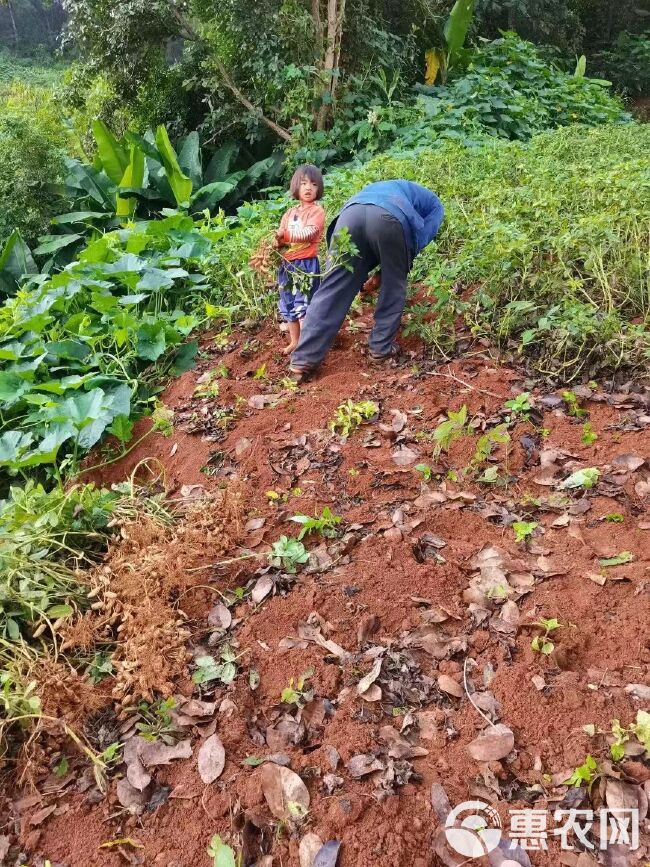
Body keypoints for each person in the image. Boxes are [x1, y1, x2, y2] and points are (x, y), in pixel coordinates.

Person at [289, 179, 444, 376]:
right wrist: (390, 270)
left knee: (333, 288)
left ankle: (302, 360)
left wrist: (369, 274)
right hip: (389, 218)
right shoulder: (435, 207)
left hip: (349, 216)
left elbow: (356, 255)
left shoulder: (392, 188)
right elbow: (416, 240)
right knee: (394, 284)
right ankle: (380, 348)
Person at [274, 164, 326, 355]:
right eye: (303, 183)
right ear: (296, 186)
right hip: (287, 264)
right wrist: (275, 242)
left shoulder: (317, 212)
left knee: (303, 305)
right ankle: (295, 341)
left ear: (318, 189)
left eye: (313, 184)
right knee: (287, 303)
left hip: (305, 264)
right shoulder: (289, 213)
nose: (308, 188)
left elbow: (309, 233)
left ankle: (307, 347)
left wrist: (284, 235)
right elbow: (281, 239)